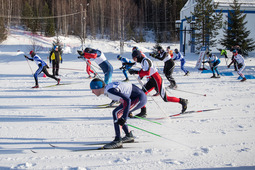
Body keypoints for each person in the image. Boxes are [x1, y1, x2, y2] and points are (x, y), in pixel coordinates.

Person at [90, 78, 147, 149]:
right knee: (116, 113)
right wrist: (126, 111)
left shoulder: (110, 91)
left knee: (116, 113)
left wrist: (124, 117)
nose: (92, 92)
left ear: (98, 88)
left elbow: (127, 100)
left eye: (93, 89)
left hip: (139, 98)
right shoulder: (108, 89)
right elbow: (124, 98)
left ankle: (118, 140)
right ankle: (128, 135)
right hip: (135, 97)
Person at [128, 50, 188, 117]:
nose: (134, 60)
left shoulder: (145, 61)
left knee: (165, 98)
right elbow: (144, 71)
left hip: (157, 80)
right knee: (142, 94)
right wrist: (138, 74)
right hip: (151, 80)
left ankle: (182, 101)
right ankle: (143, 111)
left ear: (138, 56)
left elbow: (147, 72)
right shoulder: (142, 61)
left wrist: (136, 72)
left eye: (135, 58)